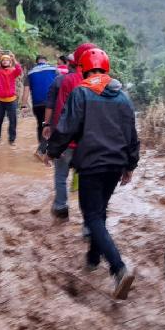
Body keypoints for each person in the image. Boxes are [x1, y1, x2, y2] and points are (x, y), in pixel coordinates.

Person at [47, 48, 139, 300]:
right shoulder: (123, 97)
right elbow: (132, 135)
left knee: (93, 216)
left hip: (91, 163)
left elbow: (66, 128)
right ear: (106, 69)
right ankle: (92, 258)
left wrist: (51, 150)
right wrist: (130, 165)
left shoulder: (81, 92)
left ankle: (119, 268)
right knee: (99, 212)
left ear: (82, 69)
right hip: (115, 165)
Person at [42, 43, 96, 219]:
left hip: (67, 142)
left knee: (60, 175)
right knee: (87, 181)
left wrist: (49, 131)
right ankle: (89, 223)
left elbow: (60, 112)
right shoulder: (102, 82)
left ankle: (61, 207)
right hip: (89, 143)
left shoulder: (66, 81)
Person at [20, 55, 58, 144]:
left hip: (38, 105)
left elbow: (26, 91)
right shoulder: (53, 69)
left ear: (36, 62)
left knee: (42, 124)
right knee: (51, 125)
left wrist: (23, 106)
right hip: (51, 103)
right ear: (46, 61)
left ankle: (42, 148)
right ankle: (52, 149)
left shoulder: (30, 73)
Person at [0, 51, 22, 147]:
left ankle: (12, 140)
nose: (5, 61)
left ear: (10, 62)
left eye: (7, 60)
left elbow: (19, 70)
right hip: (0, 100)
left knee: (13, 120)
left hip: (11, 100)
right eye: (3, 60)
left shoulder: (13, 72)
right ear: (1, 62)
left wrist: (14, 59)